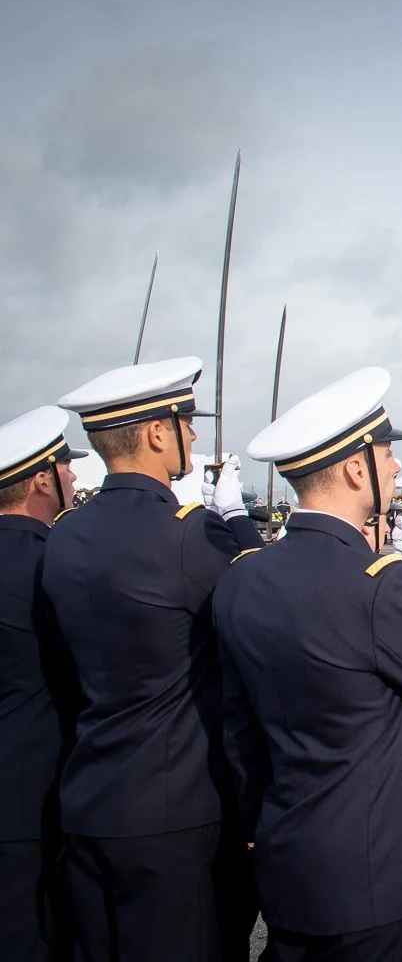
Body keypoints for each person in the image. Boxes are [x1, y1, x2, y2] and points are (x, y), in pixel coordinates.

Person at [214, 366, 402, 961]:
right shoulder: (377, 585)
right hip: (375, 870)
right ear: (353, 468)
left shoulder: (245, 576)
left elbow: (240, 734)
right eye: (385, 453)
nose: (394, 466)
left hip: (287, 852)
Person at [45, 357, 262, 961]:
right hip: (173, 811)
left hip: (90, 795)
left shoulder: (65, 532)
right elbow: (264, 599)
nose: (192, 434)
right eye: (185, 422)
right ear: (157, 432)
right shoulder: (189, 535)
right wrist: (237, 523)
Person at [0, 407, 86, 962]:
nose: (74, 477)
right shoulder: (53, 566)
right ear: (40, 480)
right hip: (34, 795)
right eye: (66, 467)